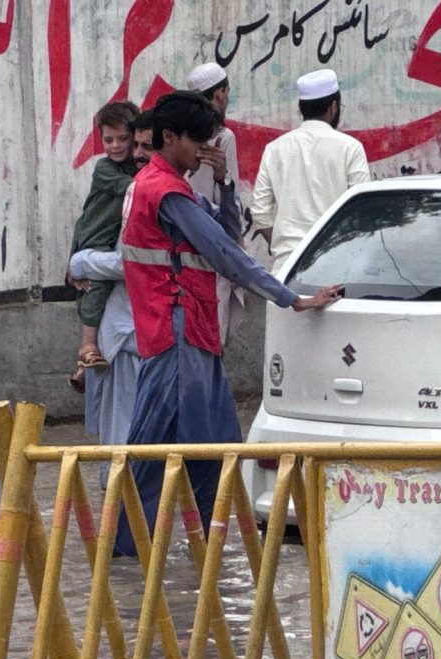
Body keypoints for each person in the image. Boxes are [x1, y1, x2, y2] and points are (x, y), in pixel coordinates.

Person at [118, 91, 341, 557]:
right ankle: (126, 551)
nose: (200, 151)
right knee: (158, 444)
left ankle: (207, 548)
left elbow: (225, 229)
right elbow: (226, 253)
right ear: (169, 137)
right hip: (176, 328)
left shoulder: (169, 184)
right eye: (193, 142)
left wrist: (222, 183)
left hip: (192, 328)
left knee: (215, 443)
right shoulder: (166, 191)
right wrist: (291, 299)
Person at [67, 110, 156, 479]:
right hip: (121, 332)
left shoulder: (148, 186)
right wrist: (80, 262)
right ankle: (85, 350)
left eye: (136, 144)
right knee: (119, 428)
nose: (125, 149)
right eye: (116, 141)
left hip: (136, 332)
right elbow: (128, 262)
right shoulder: (120, 178)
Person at [250, 69, 370, 270]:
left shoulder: (274, 149)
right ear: (333, 107)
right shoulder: (350, 148)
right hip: (337, 264)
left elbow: (260, 213)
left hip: (286, 268)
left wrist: (286, 248)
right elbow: (362, 209)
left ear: (301, 109)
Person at [67, 100, 140, 392]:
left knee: (106, 290)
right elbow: (133, 190)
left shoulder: (135, 165)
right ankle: (86, 348)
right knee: (95, 290)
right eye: (108, 140)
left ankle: (86, 367)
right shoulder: (105, 169)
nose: (115, 146)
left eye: (123, 139)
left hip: (108, 242)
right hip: (94, 239)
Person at [186, 62, 246, 345]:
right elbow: (227, 197)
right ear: (220, 94)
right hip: (213, 245)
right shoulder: (222, 138)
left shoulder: (184, 137)